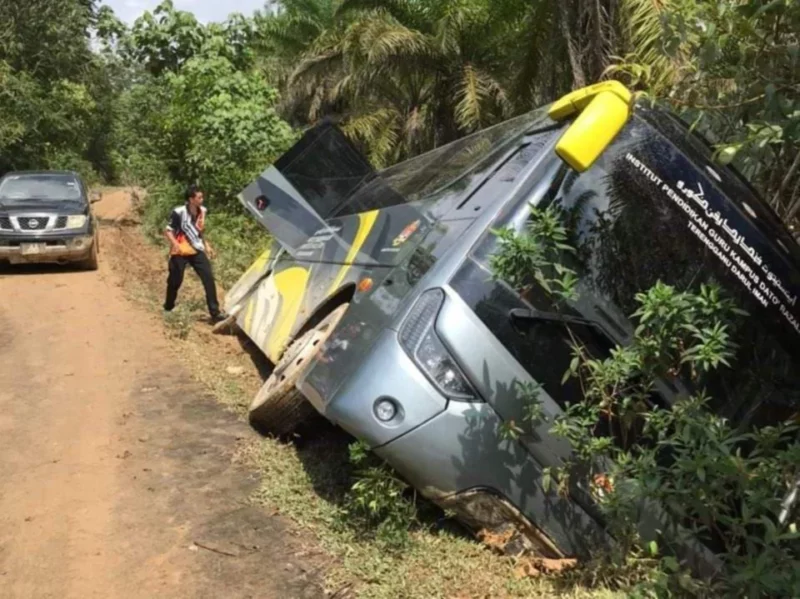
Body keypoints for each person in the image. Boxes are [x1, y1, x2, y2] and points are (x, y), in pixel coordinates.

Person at [163, 185, 226, 323]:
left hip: (196, 248)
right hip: (180, 250)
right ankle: (168, 307)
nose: (202, 200)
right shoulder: (178, 212)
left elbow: (200, 231)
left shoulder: (202, 211)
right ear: (191, 199)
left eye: (202, 197)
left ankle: (215, 312)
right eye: (199, 197)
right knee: (175, 280)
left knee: (208, 277)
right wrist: (176, 245)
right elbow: (168, 230)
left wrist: (206, 245)